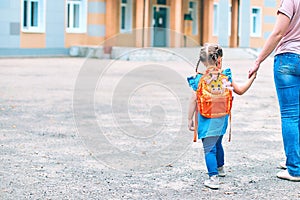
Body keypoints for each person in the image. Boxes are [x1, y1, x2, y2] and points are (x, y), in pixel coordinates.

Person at [187, 43, 257, 189]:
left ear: (202, 61)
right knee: (218, 143)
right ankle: (220, 168)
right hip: (222, 118)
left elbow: (193, 100)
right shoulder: (225, 77)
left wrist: (189, 119)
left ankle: (213, 178)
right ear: (219, 59)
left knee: (209, 148)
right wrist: (252, 78)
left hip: (206, 120)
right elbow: (241, 90)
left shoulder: (199, 80)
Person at [248, 0, 300, 181]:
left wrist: (258, 60)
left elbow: (278, 33)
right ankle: (295, 159)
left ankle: (295, 169)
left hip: (288, 58)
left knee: (290, 115)